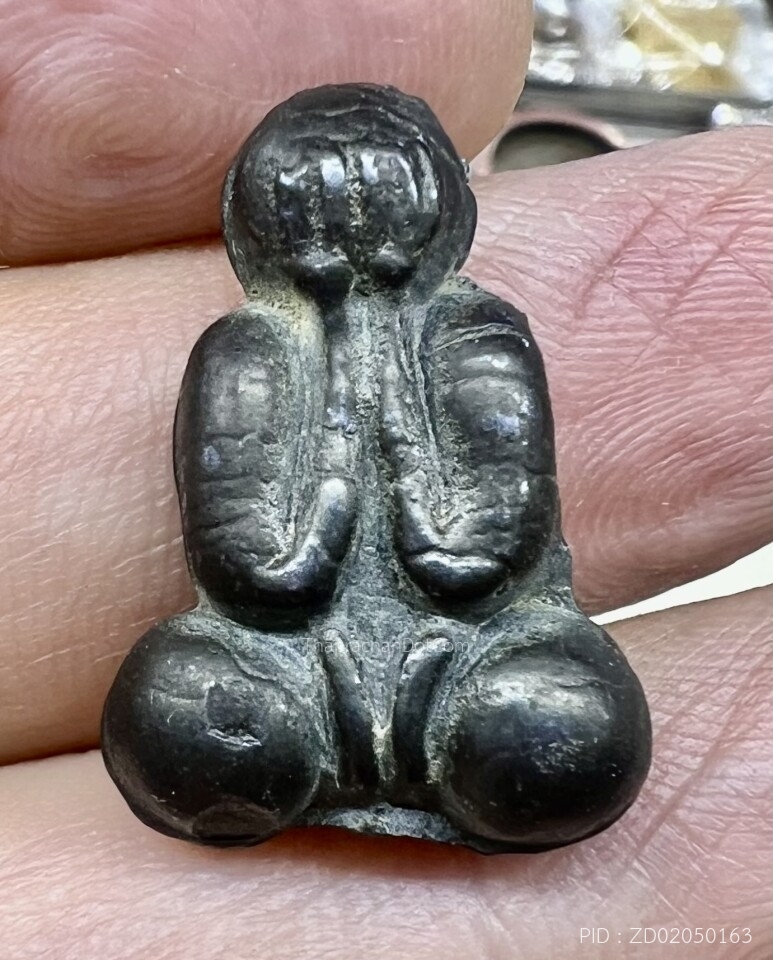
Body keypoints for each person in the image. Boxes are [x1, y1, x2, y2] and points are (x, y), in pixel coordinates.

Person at [0, 0, 769, 956]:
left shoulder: (477, 336)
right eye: (309, 219)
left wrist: (389, 388)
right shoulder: (247, 349)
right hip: (288, 668)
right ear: (259, 224)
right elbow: (261, 575)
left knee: (565, 724)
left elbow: (474, 563)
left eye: (386, 216)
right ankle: (299, 779)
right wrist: (335, 382)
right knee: (180, 702)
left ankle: (466, 776)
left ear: (441, 216)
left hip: (469, 658)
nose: (354, 251)